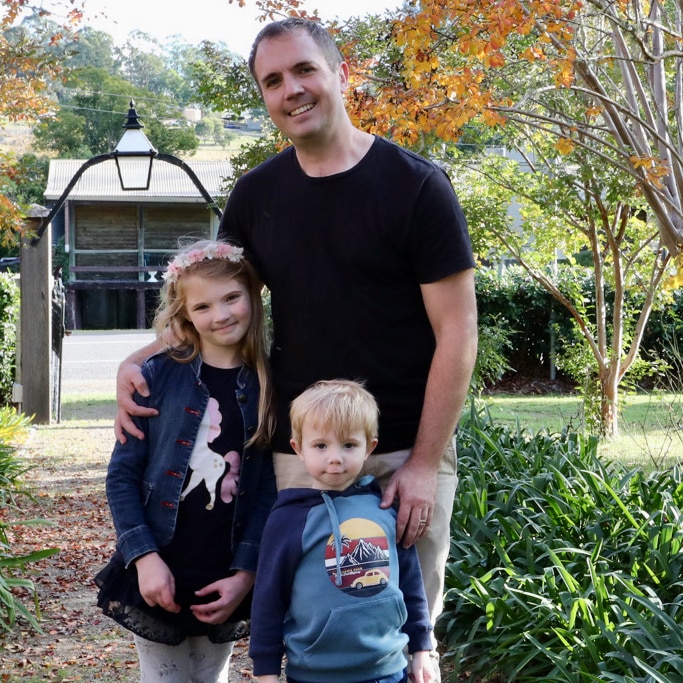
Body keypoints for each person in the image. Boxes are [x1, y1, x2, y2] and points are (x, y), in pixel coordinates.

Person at [114, 17, 478, 650]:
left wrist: (422, 463)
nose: (292, 90)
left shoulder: (416, 186)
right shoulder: (258, 194)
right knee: (308, 629)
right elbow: (213, 299)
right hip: (297, 454)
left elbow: (458, 332)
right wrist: (141, 358)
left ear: (341, 74)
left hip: (396, 453)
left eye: (305, 70)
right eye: (273, 80)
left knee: (399, 636)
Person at [96, 239, 277, 683]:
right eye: (203, 307)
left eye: (232, 298)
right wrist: (144, 558)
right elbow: (122, 477)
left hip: (227, 568)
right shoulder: (156, 377)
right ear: (184, 316)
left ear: (253, 296)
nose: (221, 315)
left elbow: (270, 491)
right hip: (161, 563)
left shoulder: (272, 386)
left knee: (212, 675)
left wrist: (246, 574)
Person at [250, 379, 435, 683]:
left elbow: (412, 585)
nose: (335, 457)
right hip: (314, 675)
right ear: (298, 448)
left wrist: (421, 649)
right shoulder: (288, 521)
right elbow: (268, 601)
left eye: (348, 445)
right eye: (320, 445)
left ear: (369, 447)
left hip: (387, 670)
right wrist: (266, 672)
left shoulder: (386, 510)